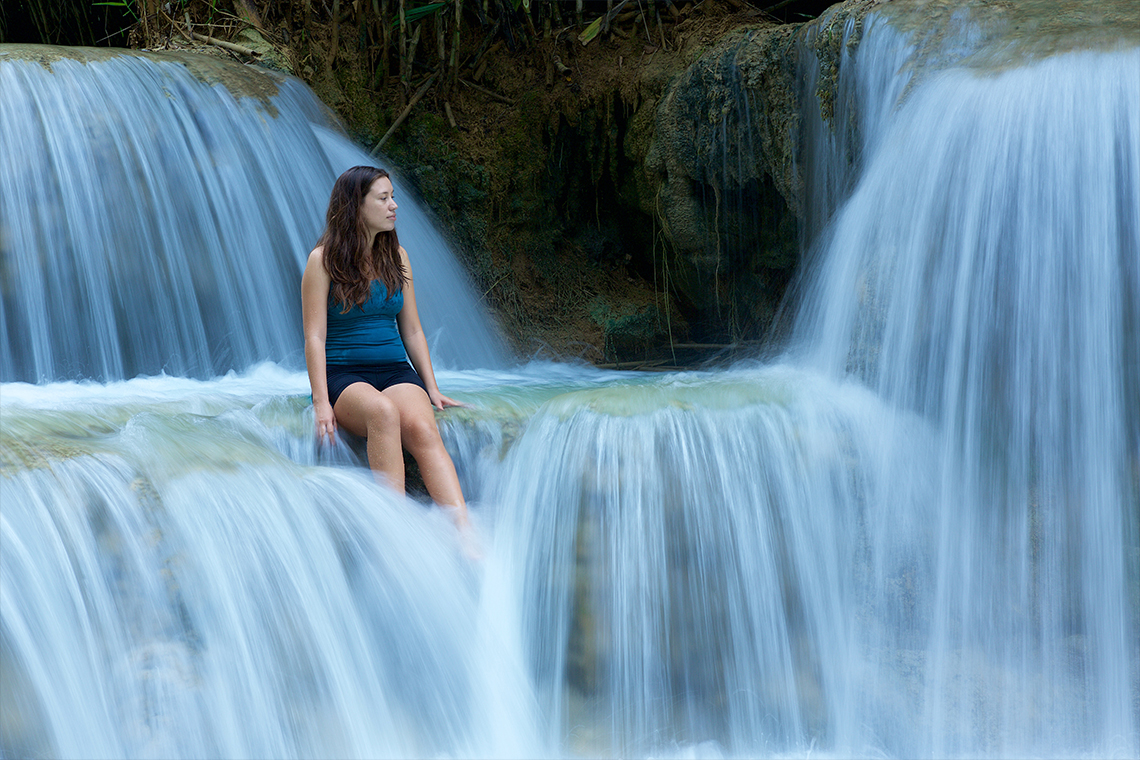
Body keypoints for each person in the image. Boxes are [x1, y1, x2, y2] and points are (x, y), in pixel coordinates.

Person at [303, 165, 473, 535]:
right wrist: (321, 402)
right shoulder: (322, 261)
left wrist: (431, 388)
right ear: (356, 205)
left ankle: (465, 532)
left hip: (395, 369)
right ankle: (397, 534)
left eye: (392, 196)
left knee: (423, 429)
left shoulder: (397, 256)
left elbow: (412, 329)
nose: (394, 205)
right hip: (344, 375)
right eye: (383, 198)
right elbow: (314, 337)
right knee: (382, 413)